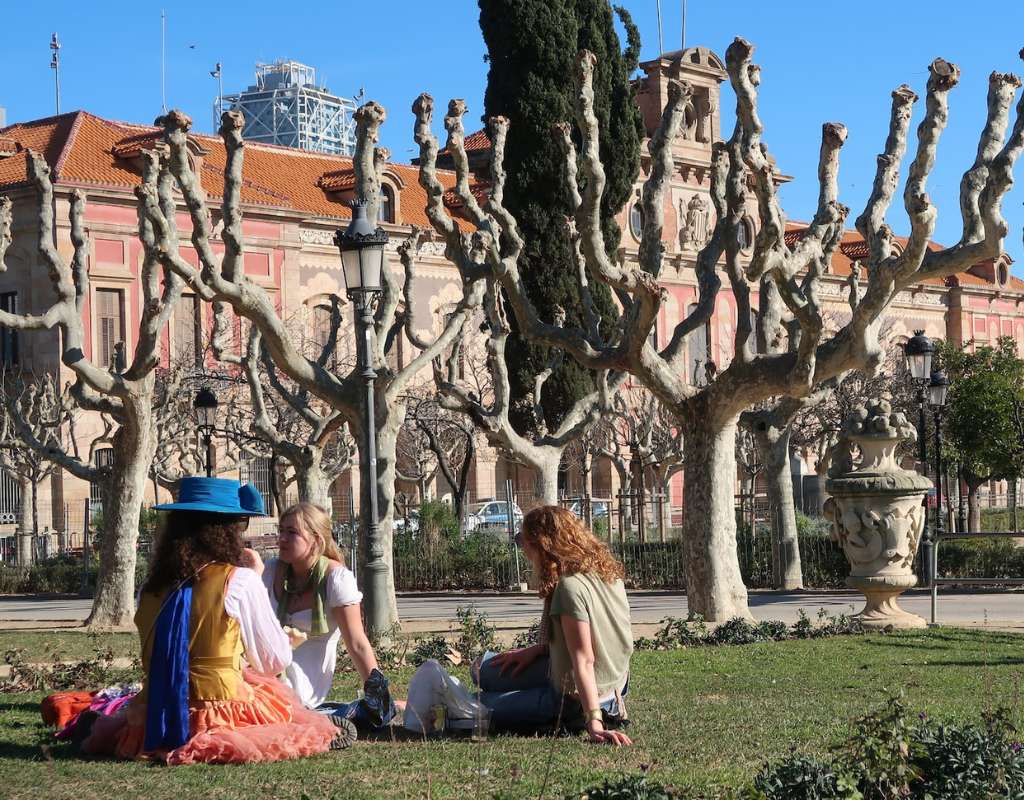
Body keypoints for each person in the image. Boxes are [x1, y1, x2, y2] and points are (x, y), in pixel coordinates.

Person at [81, 477, 338, 764]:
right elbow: (273, 662)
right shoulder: (240, 581)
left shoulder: (150, 588)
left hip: (152, 717)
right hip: (219, 715)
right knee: (287, 712)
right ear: (227, 530)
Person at [405, 505, 633, 745]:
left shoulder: (570, 588)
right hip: (610, 685)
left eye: (522, 540)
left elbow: (584, 660)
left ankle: (460, 703)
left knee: (475, 707)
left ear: (542, 545)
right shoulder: (609, 577)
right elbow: (598, 637)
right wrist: (536, 650)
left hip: (575, 699)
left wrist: (594, 724)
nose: (522, 547)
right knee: (482, 670)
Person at [260, 502, 397, 729]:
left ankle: (332, 714)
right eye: (281, 531)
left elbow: (357, 643)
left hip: (302, 690)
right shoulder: (270, 570)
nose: (281, 539)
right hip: (266, 675)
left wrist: (379, 694)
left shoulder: (336, 579)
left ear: (316, 540)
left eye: (292, 532)